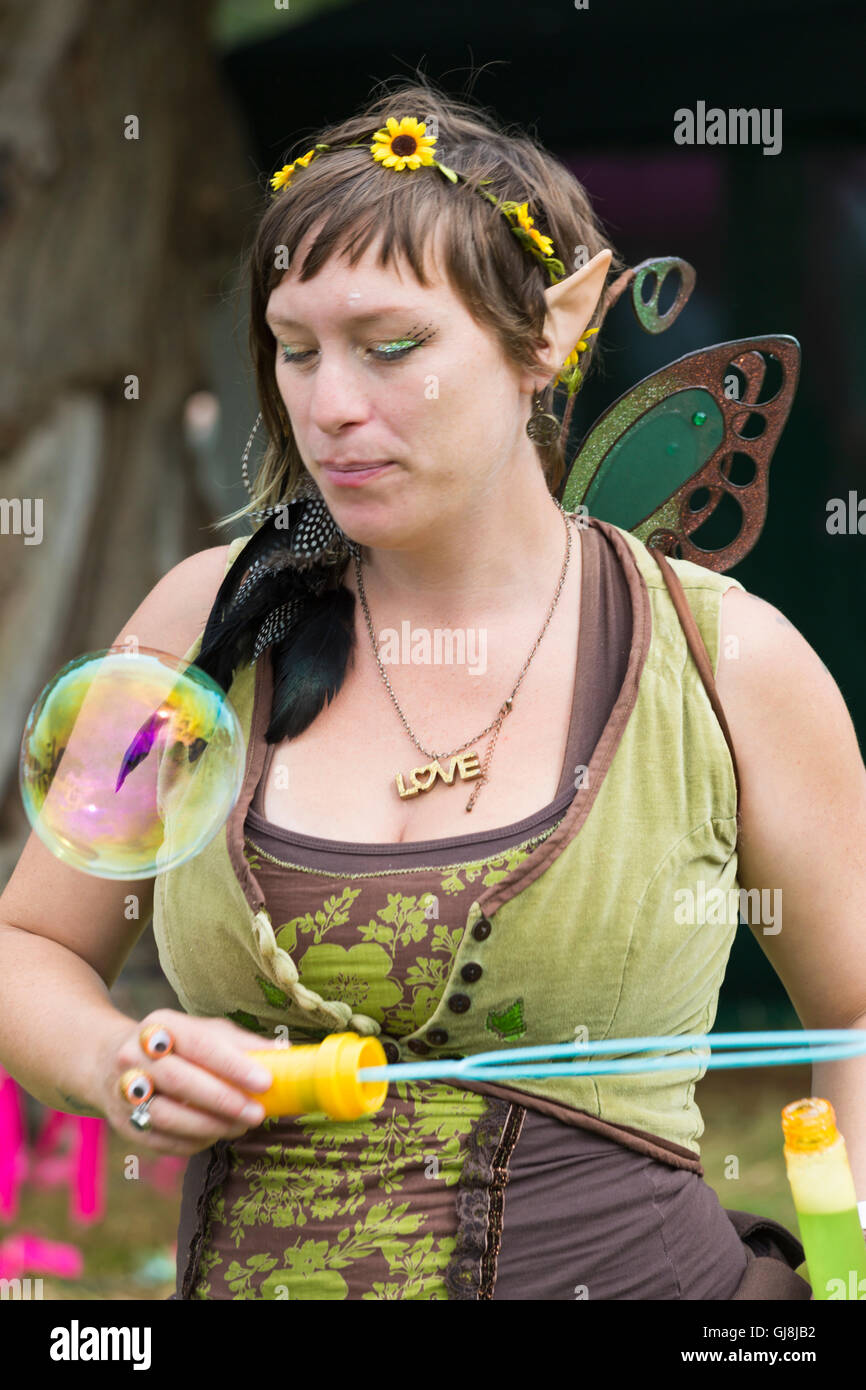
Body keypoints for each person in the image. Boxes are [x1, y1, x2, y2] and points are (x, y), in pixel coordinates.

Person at [1, 76, 865, 1302]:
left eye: (391, 347)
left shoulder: (728, 660)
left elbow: (857, 1015)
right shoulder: (199, 624)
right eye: (296, 352)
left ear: (552, 330)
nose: (331, 407)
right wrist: (114, 1061)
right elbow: (24, 943)